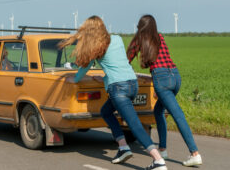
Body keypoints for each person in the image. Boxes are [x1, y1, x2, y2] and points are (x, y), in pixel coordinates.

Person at [59, 16, 167, 170]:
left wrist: (75, 79)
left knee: (134, 124)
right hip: (132, 83)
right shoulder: (117, 39)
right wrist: (104, 79)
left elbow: (83, 70)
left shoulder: (94, 48)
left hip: (118, 88)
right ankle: (123, 147)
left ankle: (158, 161)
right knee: (106, 111)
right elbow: (117, 65)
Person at [127, 14, 202, 167]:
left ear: (140, 27)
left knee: (177, 114)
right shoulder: (159, 37)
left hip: (162, 78)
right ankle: (163, 149)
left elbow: (127, 59)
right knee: (158, 110)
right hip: (175, 76)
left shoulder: (139, 40)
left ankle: (194, 153)